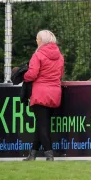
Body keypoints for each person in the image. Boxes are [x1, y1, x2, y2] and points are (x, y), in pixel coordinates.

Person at [22, 30, 64, 161]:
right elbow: (60, 74)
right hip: (54, 93)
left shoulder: (38, 55)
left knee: (42, 125)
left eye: (37, 39)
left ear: (42, 41)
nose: (36, 41)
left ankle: (49, 154)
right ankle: (32, 154)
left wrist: (23, 75)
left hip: (40, 93)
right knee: (42, 124)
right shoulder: (60, 56)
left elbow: (32, 74)